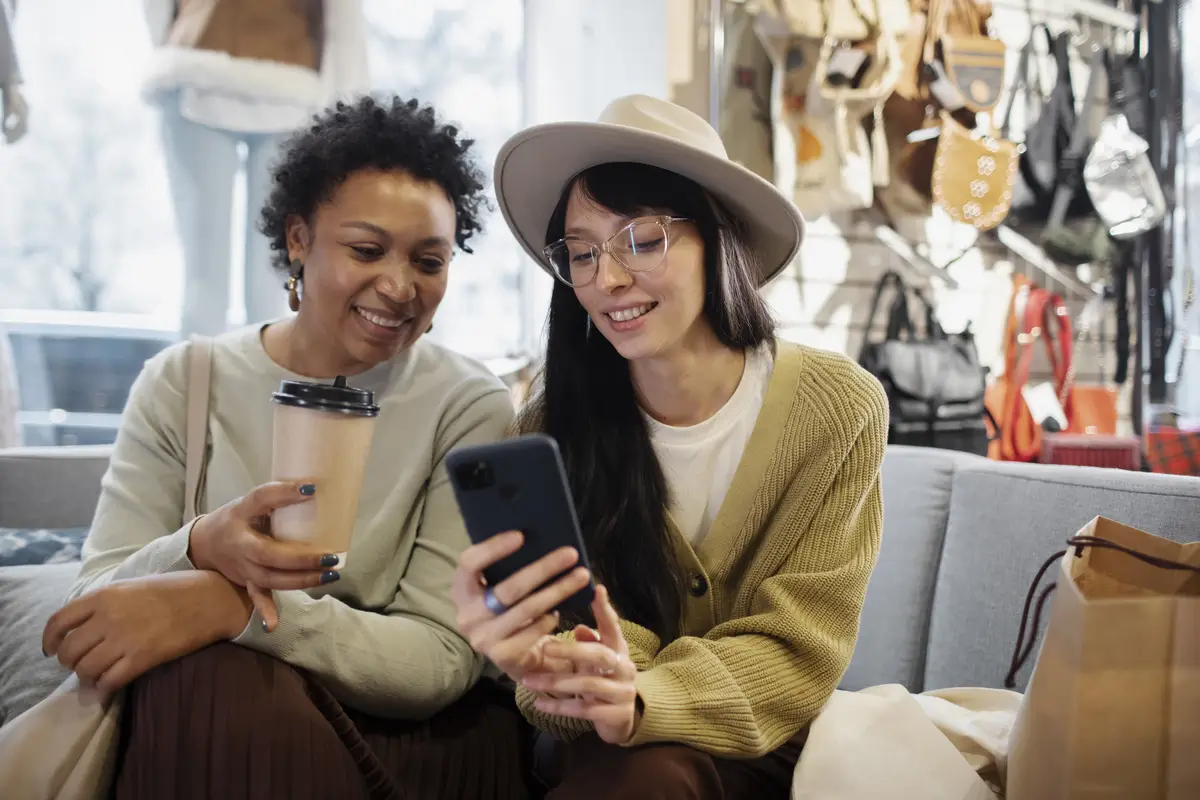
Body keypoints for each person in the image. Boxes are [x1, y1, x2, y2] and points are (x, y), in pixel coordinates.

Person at [41, 95, 527, 800]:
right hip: (203, 725)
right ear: (299, 238)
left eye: (429, 261)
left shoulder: (469, 406)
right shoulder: (186, 382)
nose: (399, 286)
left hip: (403, 742)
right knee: (208, 681)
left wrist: (233, 612)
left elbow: (440, 659)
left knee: (216, 676)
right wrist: (201, 548)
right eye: (366, 250)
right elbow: (94, 611)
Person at [451, 94, 889, 798]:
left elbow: (802, 644)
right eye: (583, 253)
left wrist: (649, 697)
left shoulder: (837, 409)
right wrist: (550, 653)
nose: (608, 280)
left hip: (769, 742)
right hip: (599, 739)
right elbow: (555, 657)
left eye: (642, 240)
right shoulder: (547, 430)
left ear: (720, 238)